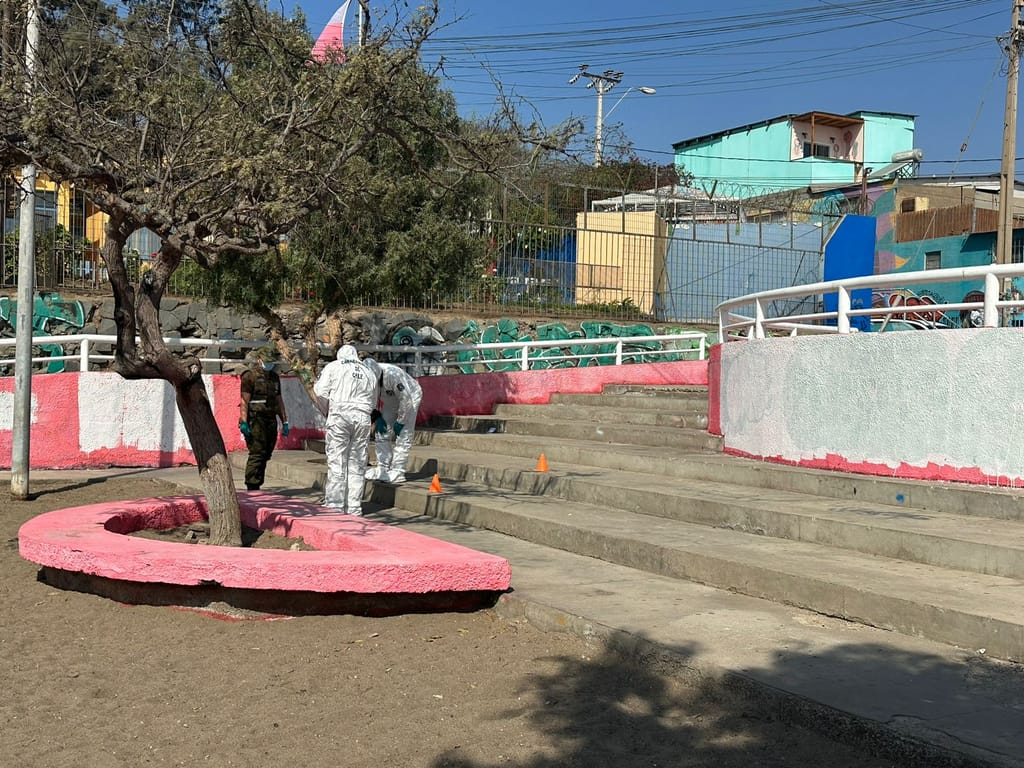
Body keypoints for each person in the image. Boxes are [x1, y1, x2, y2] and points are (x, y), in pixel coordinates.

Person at [313, 344, 379, 514]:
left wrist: (326, 411)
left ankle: (335, 505)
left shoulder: (334, 367)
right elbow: (373, 401)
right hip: (363, 417)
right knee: (357, 463)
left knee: (337, 461)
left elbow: (320, 391)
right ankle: (354, 507)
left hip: (340, 416)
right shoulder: (369, 372)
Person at [364, 358, 423, 485]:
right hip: (391, 401)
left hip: (411, 398)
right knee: (382, 432)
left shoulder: (392, 374)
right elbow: (370, 397)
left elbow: (406, 400)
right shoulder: (366, 377)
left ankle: (398, 471)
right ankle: (383, 467)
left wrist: (401, 421)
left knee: (404, 434)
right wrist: (375, 415)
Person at [238, 346, 289, 491]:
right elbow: (244, 401)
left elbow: (279, 400)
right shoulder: (250, 376)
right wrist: (243, 421)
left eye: (271, 361)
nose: (269, 364)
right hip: (255, 419)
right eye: (267, 361)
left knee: (267, 452)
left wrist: (284, 421)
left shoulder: (274, 377)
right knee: (257, 452)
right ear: (259, 360)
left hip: (270, 418)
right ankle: (252, 485)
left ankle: (257, 481)